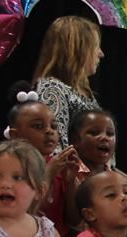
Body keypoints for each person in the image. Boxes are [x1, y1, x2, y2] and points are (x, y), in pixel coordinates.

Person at [42, 107, 118, 237]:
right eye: (94, 133)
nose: (104, 138)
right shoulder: (67, 171)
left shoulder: (115, 177)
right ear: (75, 140)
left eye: (110, 134)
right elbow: (73, 221)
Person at [32, 14, 102, 143]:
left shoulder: (86, 92)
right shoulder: (51, 89)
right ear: (77, 49)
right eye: (95, 47)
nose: (101, 54)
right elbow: (55, 148)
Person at [4, 86, 60, 161]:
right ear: (15, 135)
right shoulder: (6, 163)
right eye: (38, 126)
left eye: (53, 126)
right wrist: (48, 172)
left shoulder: (59, 165)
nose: (49, 131)